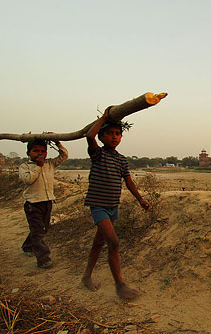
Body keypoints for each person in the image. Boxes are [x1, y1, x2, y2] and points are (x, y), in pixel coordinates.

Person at [82, 106, 150, 301]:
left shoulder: (121, 160)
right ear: (102, 137)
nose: (114, 137)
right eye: (110, 134)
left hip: (113, 206)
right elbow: (89, 136)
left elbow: (129, 182)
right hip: (98, 205)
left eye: (118, 134)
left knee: (98, 243)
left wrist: (141, 200)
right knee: (113, 242)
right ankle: (120, 285)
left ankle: (86, 276)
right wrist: (104, 118)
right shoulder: (98, 155)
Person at [19, 138, 68, 269]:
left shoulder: (50, 163)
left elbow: (64, 155)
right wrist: (38, 167)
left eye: (43, 151)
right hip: (32, 204)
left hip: (47, 202)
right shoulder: (25, 167)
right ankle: (43, 259)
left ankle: (27, 246)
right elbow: (28, 179)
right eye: (36, 151)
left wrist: (57, 142)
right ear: (28, 152)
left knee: (43, 228)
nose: (40, 154)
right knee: (38, 230)